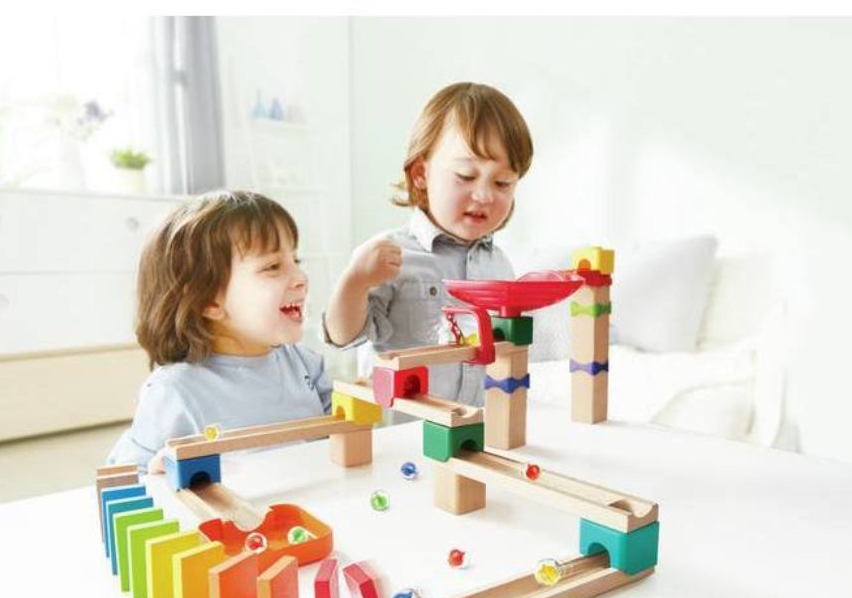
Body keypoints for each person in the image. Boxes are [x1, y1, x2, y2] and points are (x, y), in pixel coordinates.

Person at [322, 81, 534, 406]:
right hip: (405, 430)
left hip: (479, 423)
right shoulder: (389, 256)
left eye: (503, 183)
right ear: (421, 174)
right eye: (466, 176)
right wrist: (355, 281)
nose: (484, 195)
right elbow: (342, 337)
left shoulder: (500, 264)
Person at [108, 190, 337, 470]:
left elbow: (342, 437)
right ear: (208, 301)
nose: (301, 278)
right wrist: (156, 472)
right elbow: (129, 475)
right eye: (272, 266)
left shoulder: (305, 366)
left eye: (296, 261)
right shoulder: (175, 391)